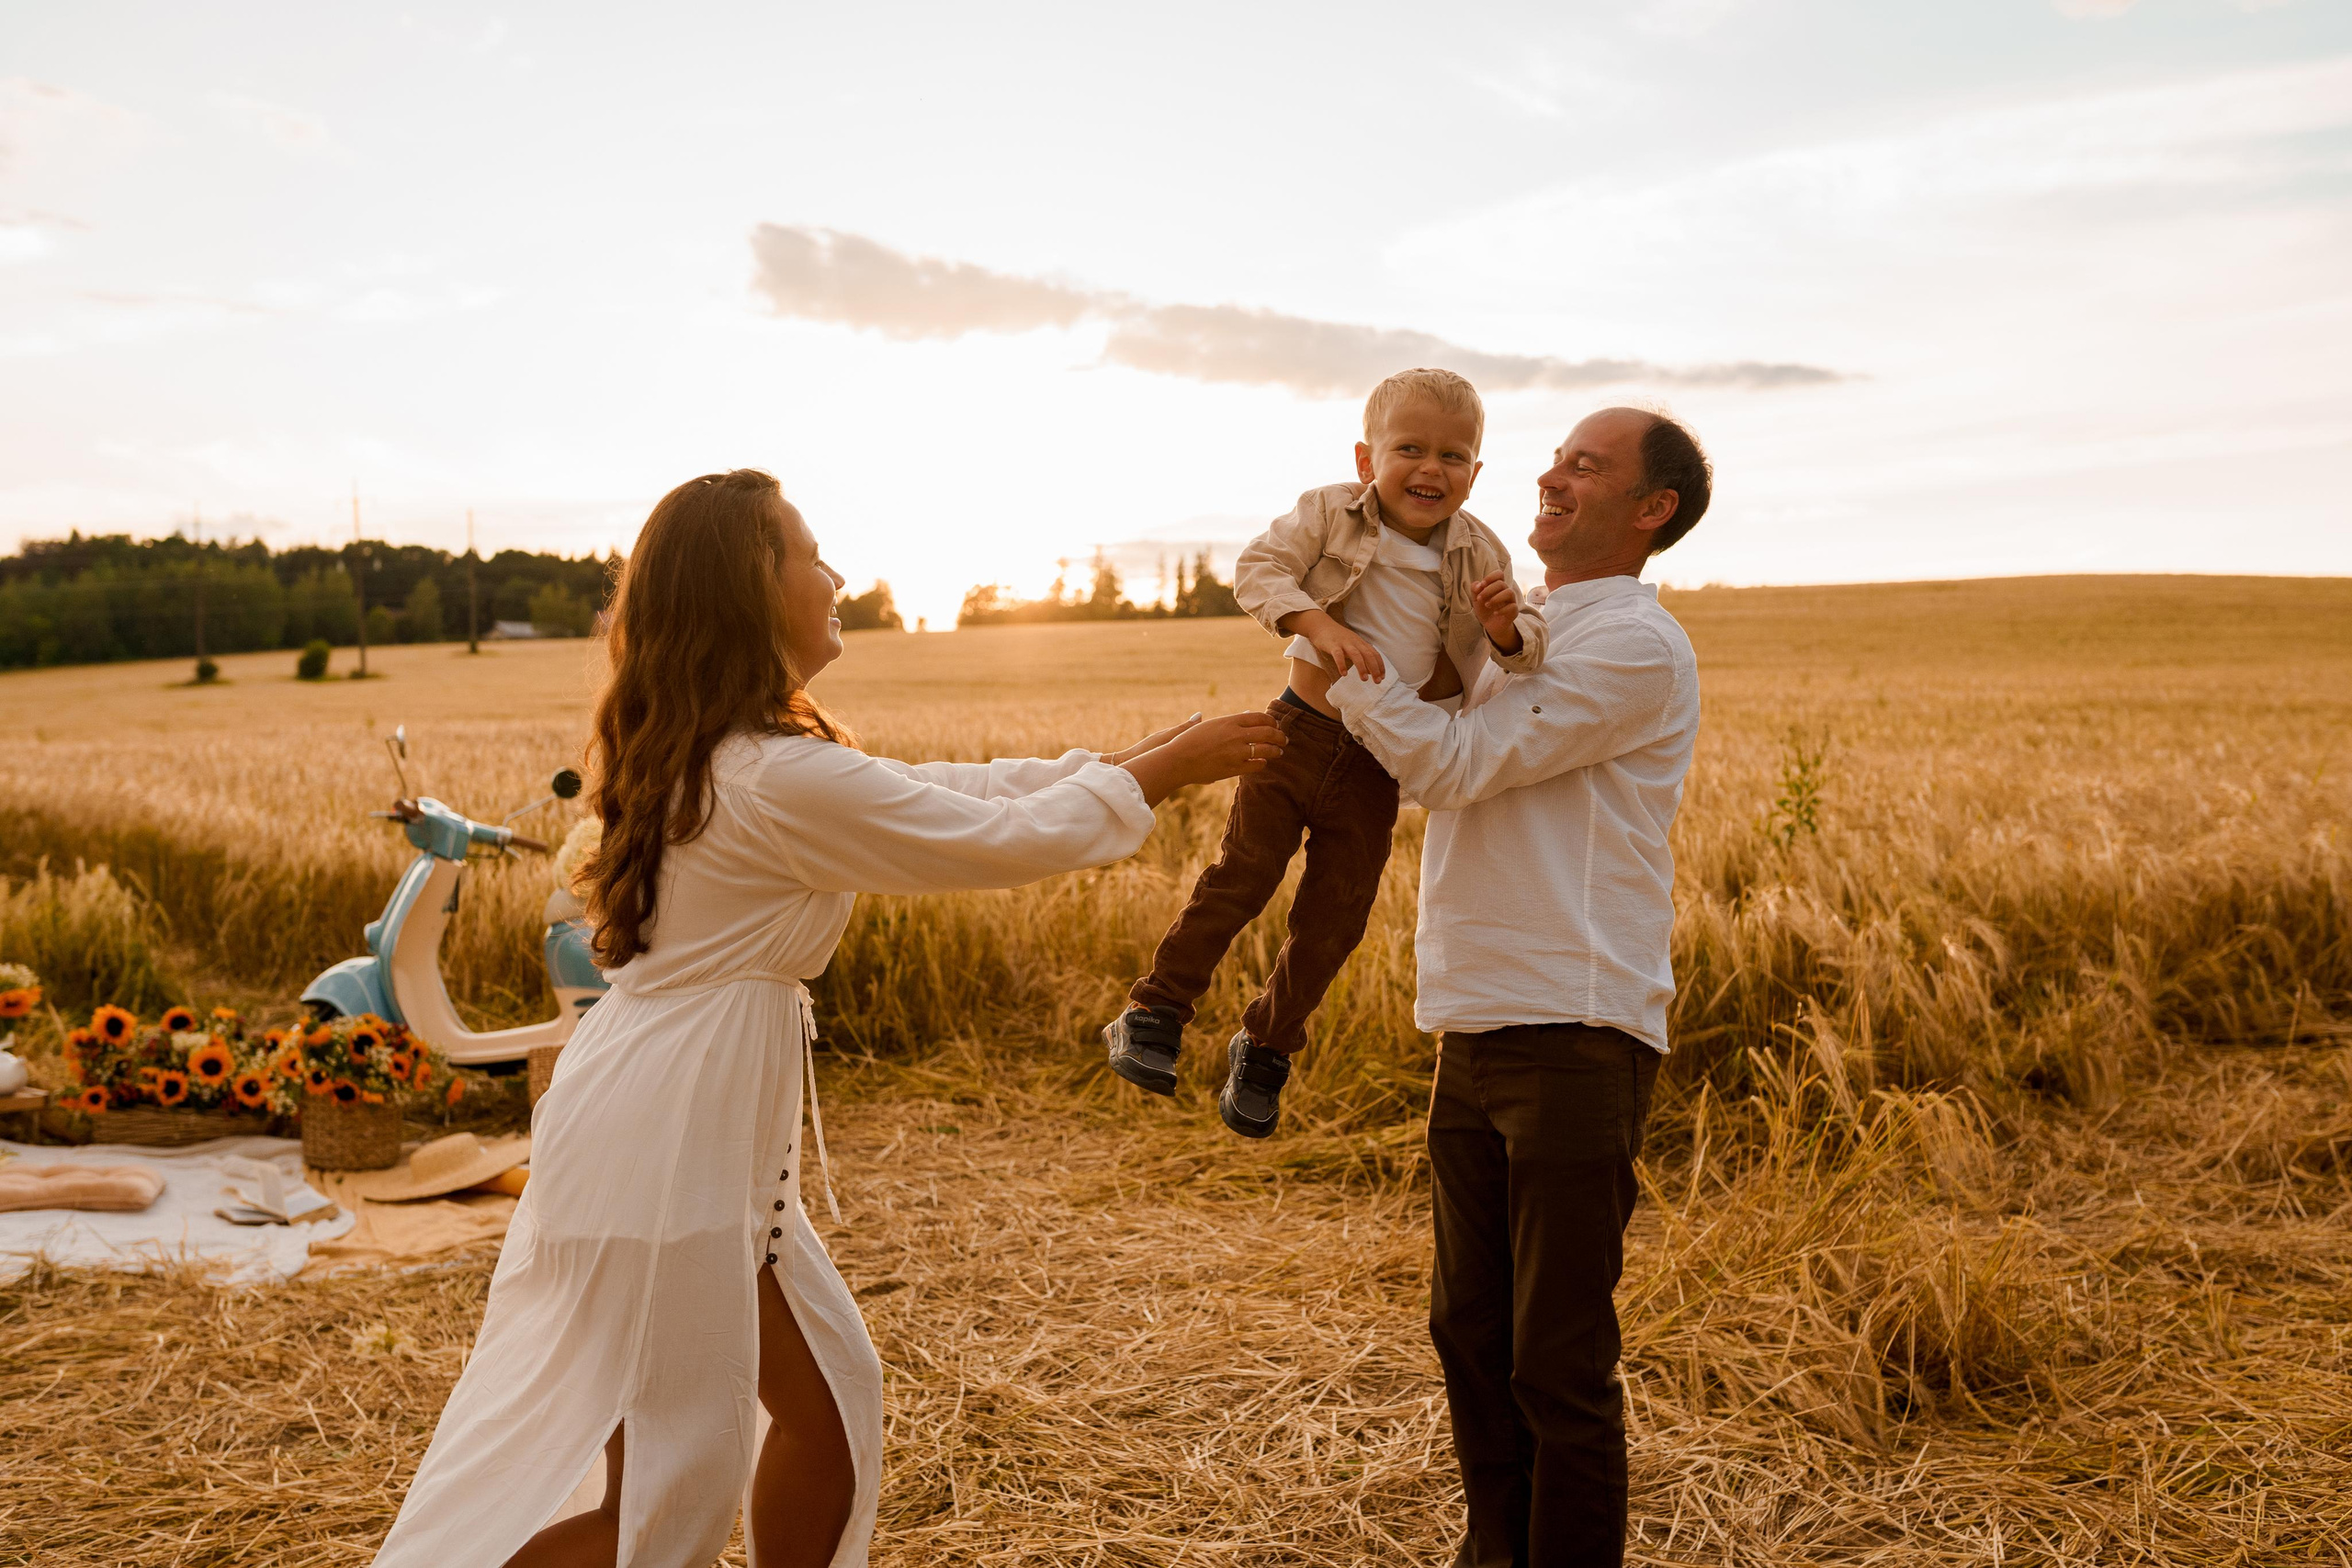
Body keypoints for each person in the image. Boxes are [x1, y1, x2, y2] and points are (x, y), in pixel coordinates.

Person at [370, 469, 1283, 1568]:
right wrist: (1162, 772)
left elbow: (947, 793)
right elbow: (988, 841)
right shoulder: (766, 776)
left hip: (664, 1126)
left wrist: (1137, 768)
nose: (837, 574)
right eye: (810, 554)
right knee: (670, 1492)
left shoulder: (741, 759)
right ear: (750, 593)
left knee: (794, 1421)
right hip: (671, 1140)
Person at [1326, 408, 1710, 1568]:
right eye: (1555, 458)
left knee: (1556, 1356)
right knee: (1469, 1332)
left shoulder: (1633, 647)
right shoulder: (1514, 633)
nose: (1549, 476)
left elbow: (1451, 763)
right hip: (1473, 1014)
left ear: (1652, 512)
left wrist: (1336, 673)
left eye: (1586, 467)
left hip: (1577, 1026)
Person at [1102, 368, 1547, 1138]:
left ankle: (1267, 1047)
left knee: (1336, 916)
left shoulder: (1483, 554)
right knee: (1242, 876)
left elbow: (1525, 651)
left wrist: (1507, 629)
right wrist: (1318, 625)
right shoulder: (1328, 511)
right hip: (1297, 732)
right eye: (1410, 447)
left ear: (1476, 474)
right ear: (1367, 458)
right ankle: (1154, 1012)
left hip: (1381, 761)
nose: (1431, 468)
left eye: (1454, 454)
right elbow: (1257, 569)